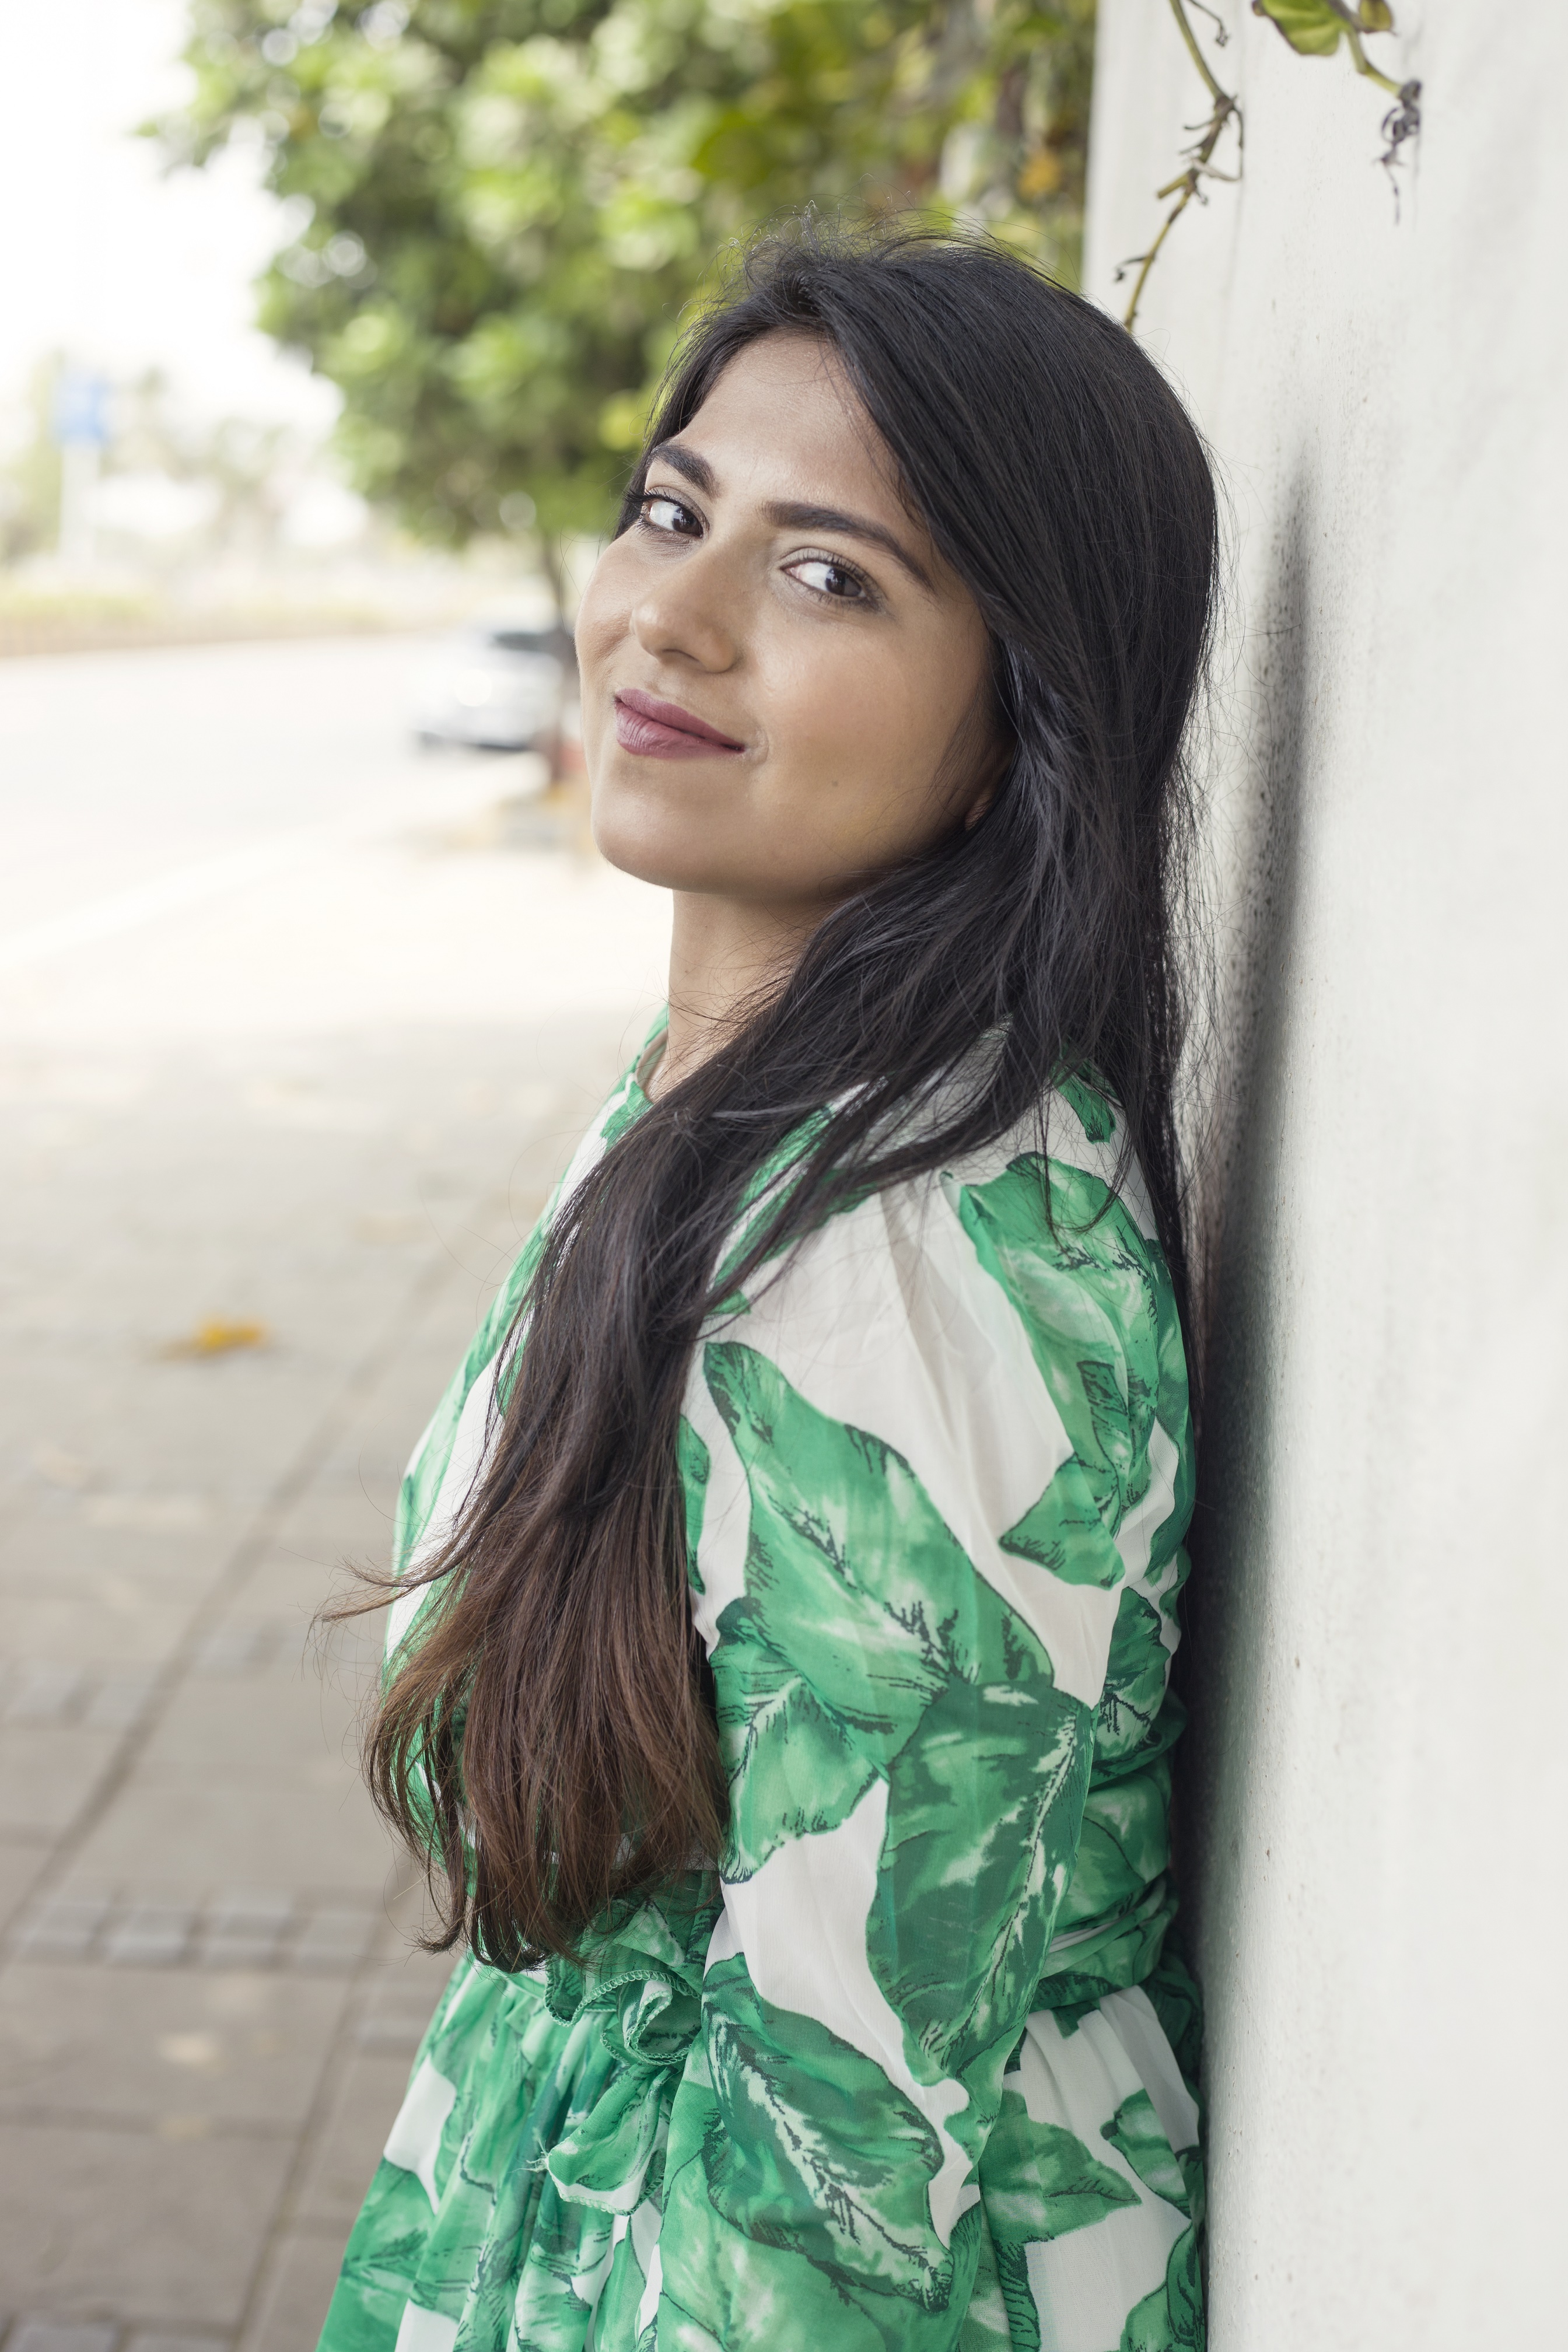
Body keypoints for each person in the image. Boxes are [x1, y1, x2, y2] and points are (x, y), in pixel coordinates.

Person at [320, 222, 1216, 2352]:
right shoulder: (755, 1103)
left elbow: (832, 2178)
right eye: (672, 511)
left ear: (1017, 726)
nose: (672, 621)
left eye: (830, 576)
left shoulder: (900, 1274)